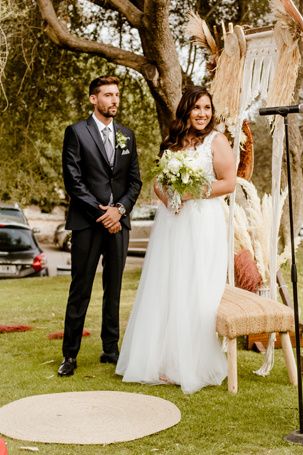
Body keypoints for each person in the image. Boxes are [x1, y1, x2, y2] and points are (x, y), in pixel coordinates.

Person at [116, 86, 236, 394]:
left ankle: (192, 363)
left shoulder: (217, 141)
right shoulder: (173, 143)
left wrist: (192, 193)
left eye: (207, 108)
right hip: (172, 224)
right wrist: (168, 197)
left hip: (203, 223)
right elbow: (158, 180)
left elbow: (229, 182)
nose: (202, 114)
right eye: (197, 108)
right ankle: (164, 361)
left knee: (197, 290)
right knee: (168, 286)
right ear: (186, 110)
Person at [58, 76, 142, 376]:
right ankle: (70, 354)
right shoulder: (76, 133)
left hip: (119, 224)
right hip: (87, 223)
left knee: (114, 288)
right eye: (108, 95)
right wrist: (102, 212)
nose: (114, 100)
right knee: (80, 288)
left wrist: (119, 211)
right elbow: (73, 181)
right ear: (94, 99)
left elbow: (135, 181)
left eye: (117, 95)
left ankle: (111, 349)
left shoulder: (127, 136)